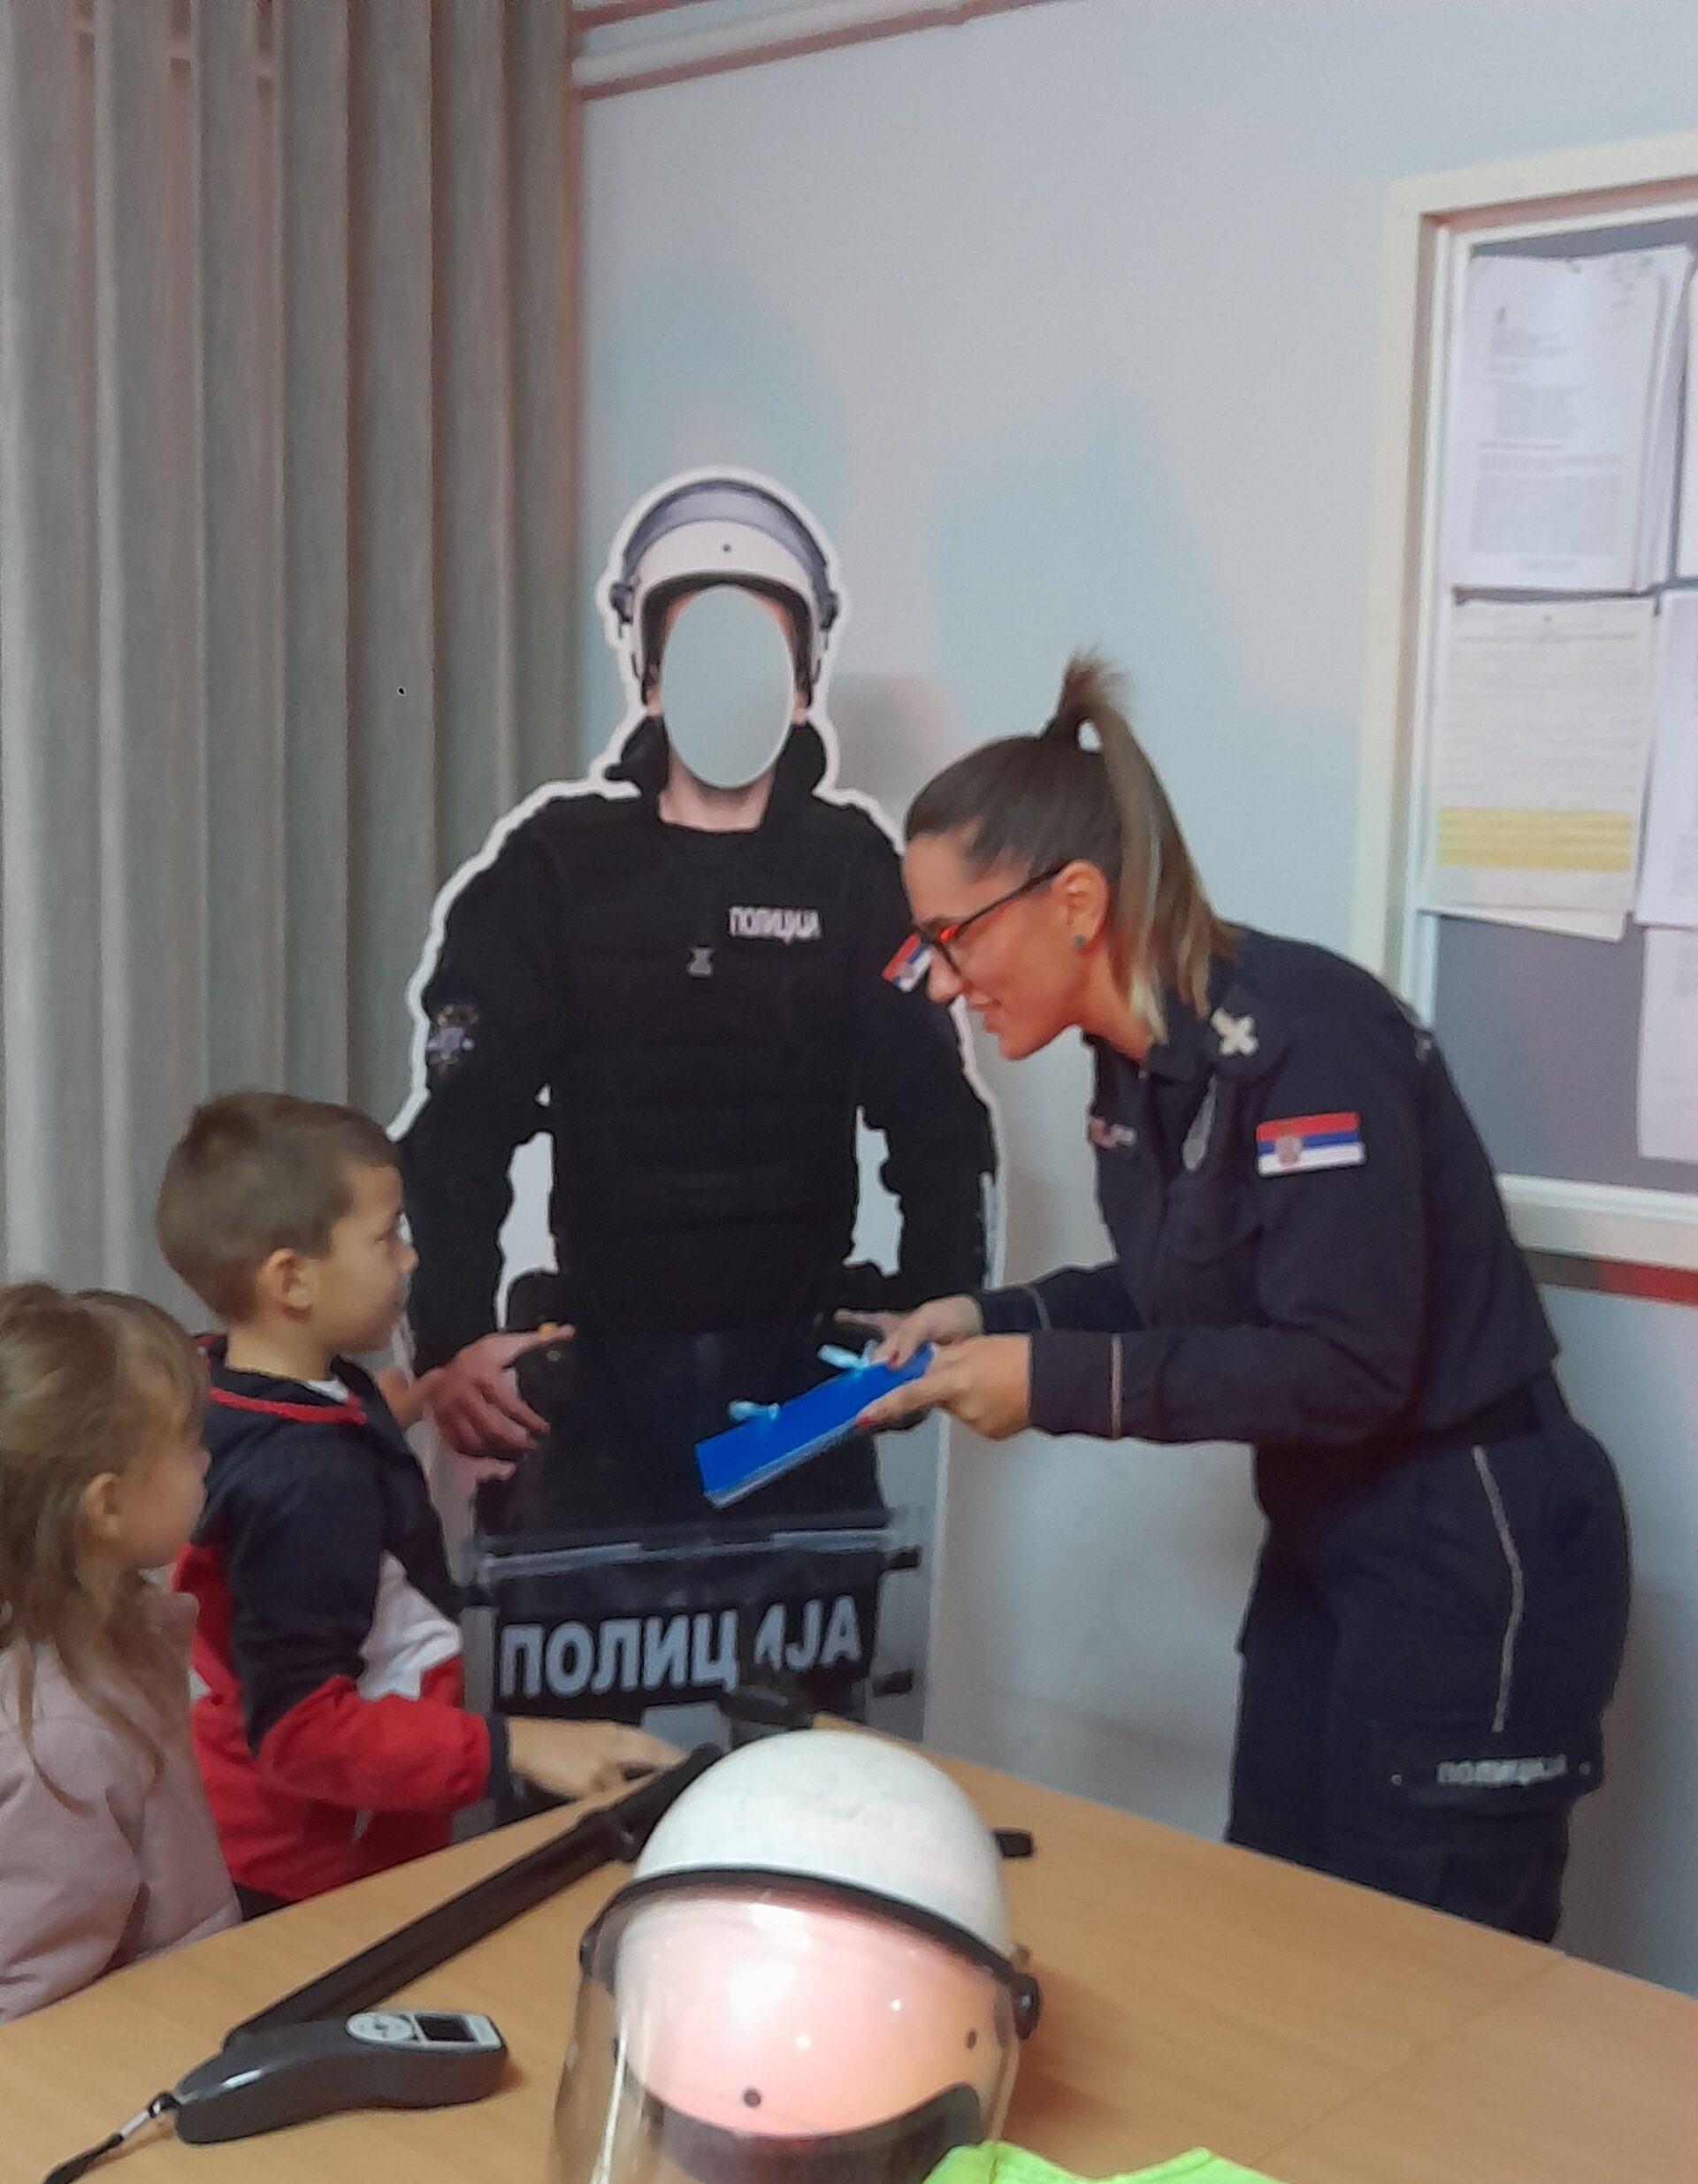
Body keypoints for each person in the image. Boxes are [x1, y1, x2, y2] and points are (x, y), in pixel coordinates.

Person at [853, 655, 1631, 1942]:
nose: (941, 981)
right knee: (1278, 1929)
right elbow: (1184, 1288)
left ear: (1076, 901)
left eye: (953, 937)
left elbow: (1344, 1361)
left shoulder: (1307, 1043)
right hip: (1330, 1530)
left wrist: (1052, 1387)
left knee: (1416, 1978)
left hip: (1467, 1543)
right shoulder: (1136, 1063)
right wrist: (995, 1323)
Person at [396, 471, 994, 1527]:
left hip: (800, 1386)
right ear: (651, 676)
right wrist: (452, 1343)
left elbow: (937, 1120)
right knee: (585, 1627)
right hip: (603, 1369)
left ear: (802, 682)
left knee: (808, 1625)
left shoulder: (854, 870)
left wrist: (938, 1312)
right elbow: (461, 1129)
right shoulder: (551, 868)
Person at [156, 1091, 676, 1913]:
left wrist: (413, 1401)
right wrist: (518, 1744)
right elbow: (302, 1732)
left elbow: (288, 1478)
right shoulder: (311, 1481)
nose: (408, 1259)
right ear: (292, 1279)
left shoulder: (227, 1378)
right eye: (386, 1237)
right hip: (321, 1868)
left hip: (263, 1827)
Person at [0, 1283, 237, 2020]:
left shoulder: (121, 1632)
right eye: (187, 1444)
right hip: (137, 2055)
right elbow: (35, 2018)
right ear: (106, 1505)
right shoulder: (60, 1742)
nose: (206, 1459)